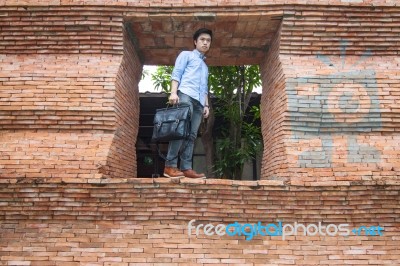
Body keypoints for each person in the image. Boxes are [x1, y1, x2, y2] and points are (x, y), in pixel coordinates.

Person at [163, 28, 212, 179]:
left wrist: (206, 105)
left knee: (191, 135)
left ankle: (186, 168)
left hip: (199, 102)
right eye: (202, 39)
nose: (205, 42)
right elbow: (176, 73)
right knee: (180, 129)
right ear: (195, 42)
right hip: (186, 95)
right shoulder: (186, 55)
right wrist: (173, 92)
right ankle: (169, 166)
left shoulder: (205, 67)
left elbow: (204, 88)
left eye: (208, 40)